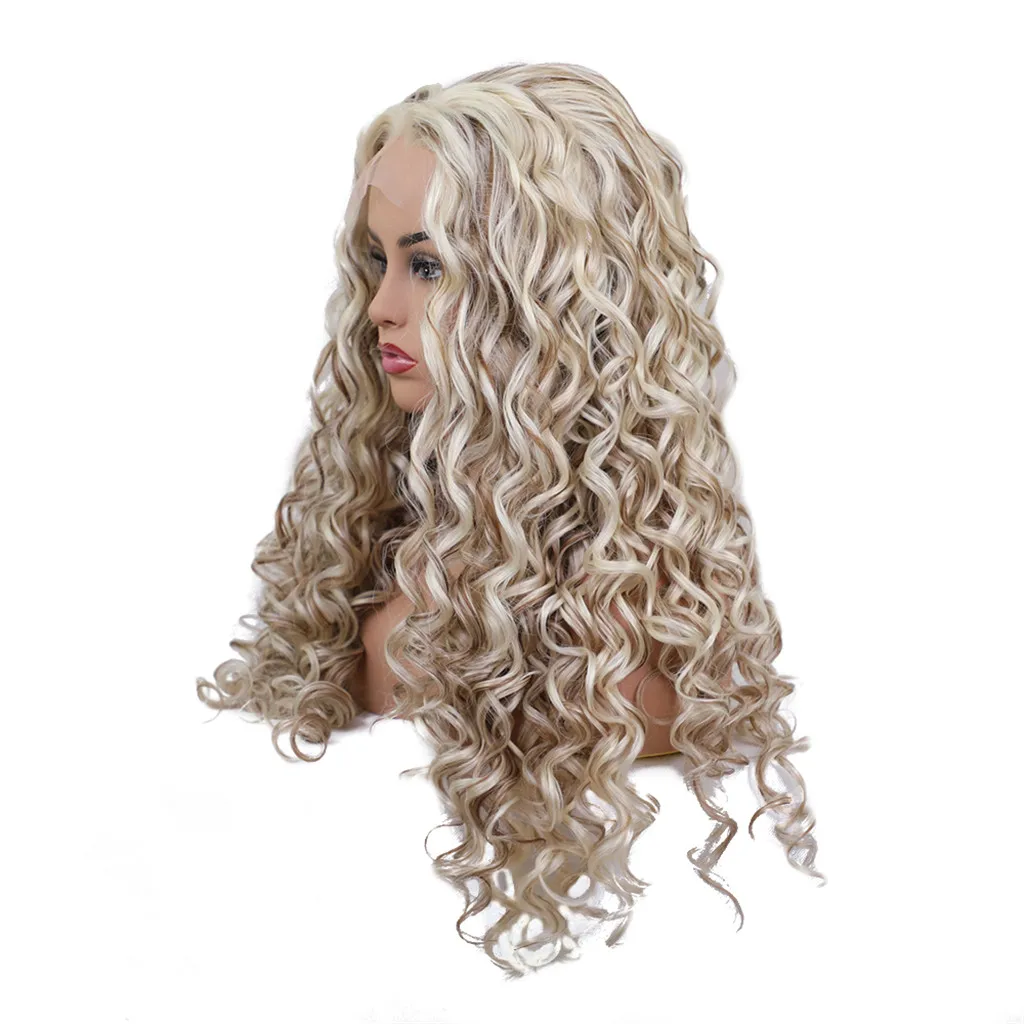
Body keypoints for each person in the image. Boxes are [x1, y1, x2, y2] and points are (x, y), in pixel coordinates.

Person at [196, 61, 825, 975]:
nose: (381, 309)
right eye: (378, 261)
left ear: (549, 293)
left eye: (427, 266)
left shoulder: (637, 642)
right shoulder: (393, 569)